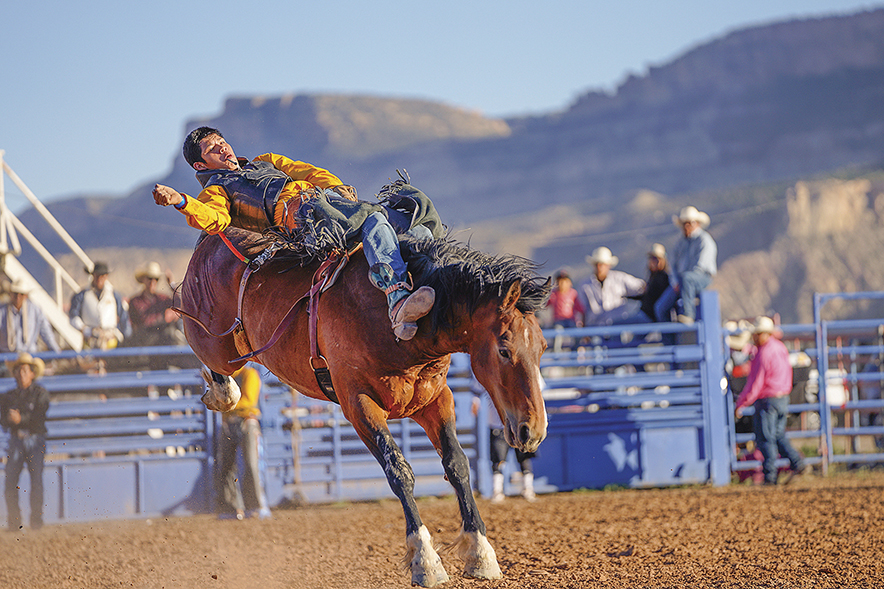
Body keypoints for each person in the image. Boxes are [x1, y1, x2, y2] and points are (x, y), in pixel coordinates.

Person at [152, 127, 441, 341]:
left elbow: (310, 172)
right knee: (375, 220)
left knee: (415, 210)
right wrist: (182, 201)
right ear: (201, 166)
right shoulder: (217, 190)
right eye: (212, 148)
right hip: (305, 222)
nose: (222, 147)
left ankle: (433, 278)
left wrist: (336, 188)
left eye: (221, 141)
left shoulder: (266, 159)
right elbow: (214, 220)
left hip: (330, 203)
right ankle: (398, 300)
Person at [735, 316, 810, 485]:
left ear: (763, 334)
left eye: (756, 334)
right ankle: (797, 464)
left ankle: (770, 475)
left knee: (766, 438)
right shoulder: (780, 348)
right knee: (778, 435)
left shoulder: (763, 353)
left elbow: (756, 382)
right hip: (782, 397)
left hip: (768, 399)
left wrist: (742, 402)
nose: (754, 337)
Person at [1, 353, 50, 531]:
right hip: (17, 440)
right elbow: (3, 421)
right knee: (10, 482)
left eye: (25, 370)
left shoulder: (40, 393)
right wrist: (8, 419)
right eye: (19, 370)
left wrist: (19, 419)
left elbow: (39, 416)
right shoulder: (8, 396)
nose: (21, 374)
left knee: (36, 482)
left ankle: (36, 521)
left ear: (32, 373)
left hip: (34, 439)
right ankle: (15, 522)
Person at [216, 364, 271, 520]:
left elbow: (248, 401)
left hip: (246, 421)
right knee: (226, 466)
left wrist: (224, 405)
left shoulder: (249, 374)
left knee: (251, 465)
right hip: (229, 422)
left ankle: (255, 506)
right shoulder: (227, 378)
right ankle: (230, 508)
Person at [654, 206, 717, 324]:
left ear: (697, 224)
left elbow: (701, 267)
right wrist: (675, 282)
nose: (686, 227)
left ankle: (688, 314)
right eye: (684, 224)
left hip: (702, 277)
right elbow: (673, 265)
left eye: (689, 223)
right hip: (682, 281)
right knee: (660, 308)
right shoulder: (680, 243)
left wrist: (682, 280)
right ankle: (669, 340)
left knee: (687, 278)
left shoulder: (704, 240)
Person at [472, 393, 536, 502]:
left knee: (524, 457)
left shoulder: (524, 376)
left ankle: (528, 488)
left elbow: (537, 387)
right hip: (498, 424)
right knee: (498, 459)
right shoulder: (491, 375)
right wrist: (475, 400)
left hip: (521, 423)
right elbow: (476, 387)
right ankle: (497, 491)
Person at [69, 262, 132, 349]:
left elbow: (123, 317)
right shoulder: (82, 296)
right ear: (93, 276)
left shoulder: (114, 295)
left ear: (106, 277)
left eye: (102, 276)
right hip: (90, 340)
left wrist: (128, 339)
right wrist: (85, 329)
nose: (99, 279)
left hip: (110, 340)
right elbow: (73, 317)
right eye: (97, 275)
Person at [579, 246, 645, 326]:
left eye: (602, 264)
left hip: (617, 326)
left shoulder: (620, 279)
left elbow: (641, 287)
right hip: (596, 327)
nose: (600, 267)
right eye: (597, 264)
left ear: (608, 265)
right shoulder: (585, 286)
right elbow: (582, 310)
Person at [127, 261, 183, 347]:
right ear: (143, 279)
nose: (152, 282)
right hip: (144, 343)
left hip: (162, 341)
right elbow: (142, 323)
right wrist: (163, 317)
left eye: (156, 279)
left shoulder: (163, 299)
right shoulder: (135, 302)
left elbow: (180, 306)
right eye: (150, 278)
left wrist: (172, 286)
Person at [0, 280, 61, 356]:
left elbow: (46, 332)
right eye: (15, 293)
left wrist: (57, 351)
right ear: (10, 294)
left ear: (26, 296)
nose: (18, 297)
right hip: (6, 356)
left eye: (21, 294)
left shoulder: (35, 310)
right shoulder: (2, 311)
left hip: (29, 356)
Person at [616, 243, 671, 325]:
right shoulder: (653, 277)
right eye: (651, 258)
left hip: (648, 317)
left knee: (617, 325)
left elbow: (653, 297)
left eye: (656, 258)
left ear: (662, 261)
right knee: (636, 337)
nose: (653, 261)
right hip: (646, 315)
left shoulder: (662, 278)